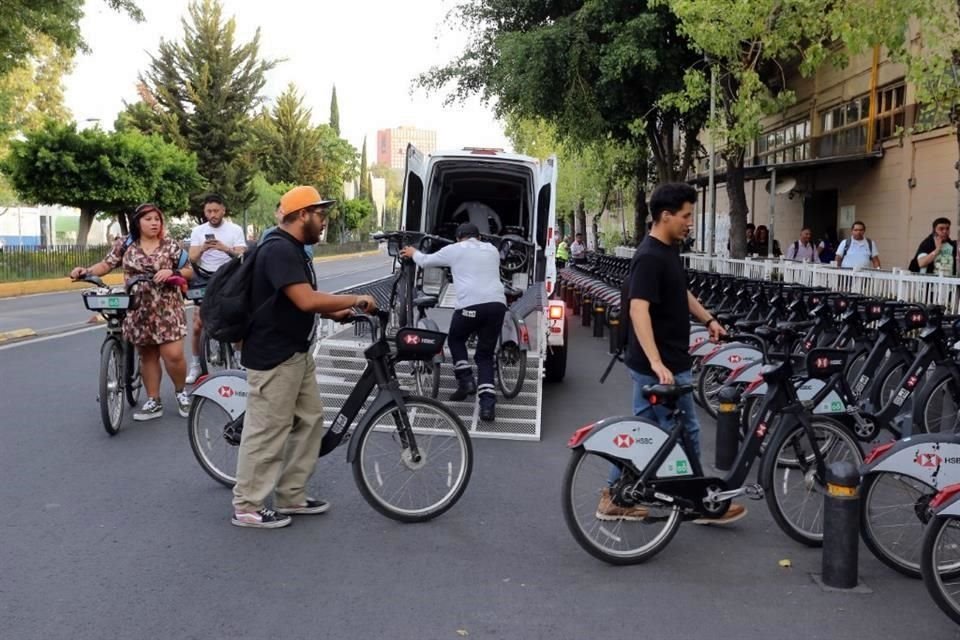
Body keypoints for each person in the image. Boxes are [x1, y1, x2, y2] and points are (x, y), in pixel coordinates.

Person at [597, 182, 746, 525]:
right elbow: (638, 310)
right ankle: (697, 499)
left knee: (645, 427)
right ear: (665, 216)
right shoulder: (650, 257)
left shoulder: (666, 251)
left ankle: (618, 495)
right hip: (661, 364)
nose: (690, 222)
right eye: (686, 215)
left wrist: (708, 318)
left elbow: (680, 291)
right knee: (678, 430)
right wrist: (655, 362)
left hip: (666, 360)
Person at [232, 185, 377, 529]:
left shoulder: (295, 249)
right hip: (274, 355)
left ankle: (291, 494)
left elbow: (297, 299)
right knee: (268, 430)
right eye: (320, 214)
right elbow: (306, 300)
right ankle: (247, 505)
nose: (324, 221)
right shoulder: (279, 250)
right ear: (300, 215)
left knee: (310, 420)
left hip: (295, 351)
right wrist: (353, 300)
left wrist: (334, 314)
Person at [70, 204, 194, 420]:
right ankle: (153, 401)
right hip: (138, 309)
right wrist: (86, 271)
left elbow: (189, 271)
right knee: (147, 356)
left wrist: (171, 271)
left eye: (157, 219)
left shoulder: (170, 246)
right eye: (148, 219)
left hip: (167, 308)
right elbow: (107, 264)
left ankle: (181, 392)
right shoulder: (125, 245)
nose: (154, 223)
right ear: (138, 222)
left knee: (173, 355)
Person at [400, 222, 506, 422]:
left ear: (459, 237)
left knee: (456, 339)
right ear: (479, 237)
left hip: (470, 306)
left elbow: (424, 261)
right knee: (485, 355)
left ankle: (466, 380)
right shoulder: (492, 249)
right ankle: (487, 407)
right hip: (496, 305)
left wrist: (412, 251)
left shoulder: (454, 249)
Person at [185, 194, 246, 384]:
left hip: (229, 276)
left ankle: (238, 356)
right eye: (209, 211)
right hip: (204, 278)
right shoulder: (198, 231)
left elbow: (242, 256)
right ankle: (196, 364)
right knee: (197, 324)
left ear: (223, 210)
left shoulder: (235, 230)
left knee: (237, 319)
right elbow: (192, 258)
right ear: (205, 212)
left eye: (216, 211)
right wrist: (203, 248)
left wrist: (225, 249)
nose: (212, 215)